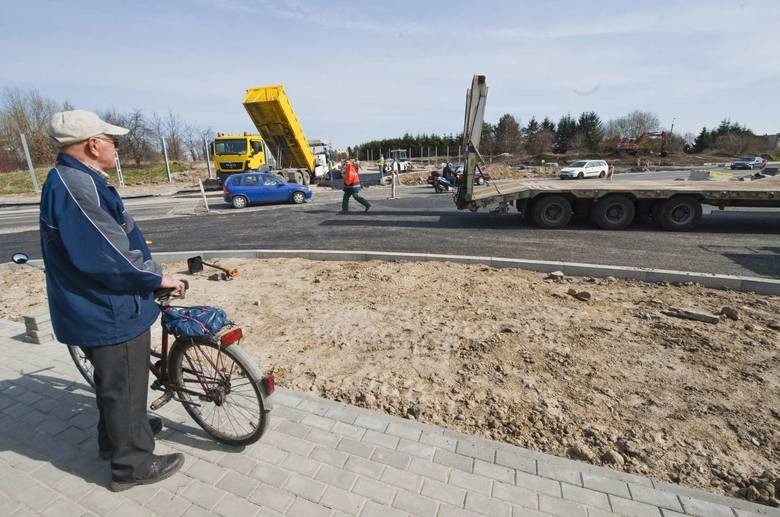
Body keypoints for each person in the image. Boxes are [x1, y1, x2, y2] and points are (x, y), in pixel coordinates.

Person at [39, 110, 188, 492]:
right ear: (93, 144)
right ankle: (132, 465)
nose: (117, 147)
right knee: (124, 387)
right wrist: (159, 277)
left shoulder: (76, 180)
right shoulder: (77, 186)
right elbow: (109, 255)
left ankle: (119, 436)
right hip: (107, 309)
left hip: (96, 305)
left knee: (116, 384)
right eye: (112, 140)